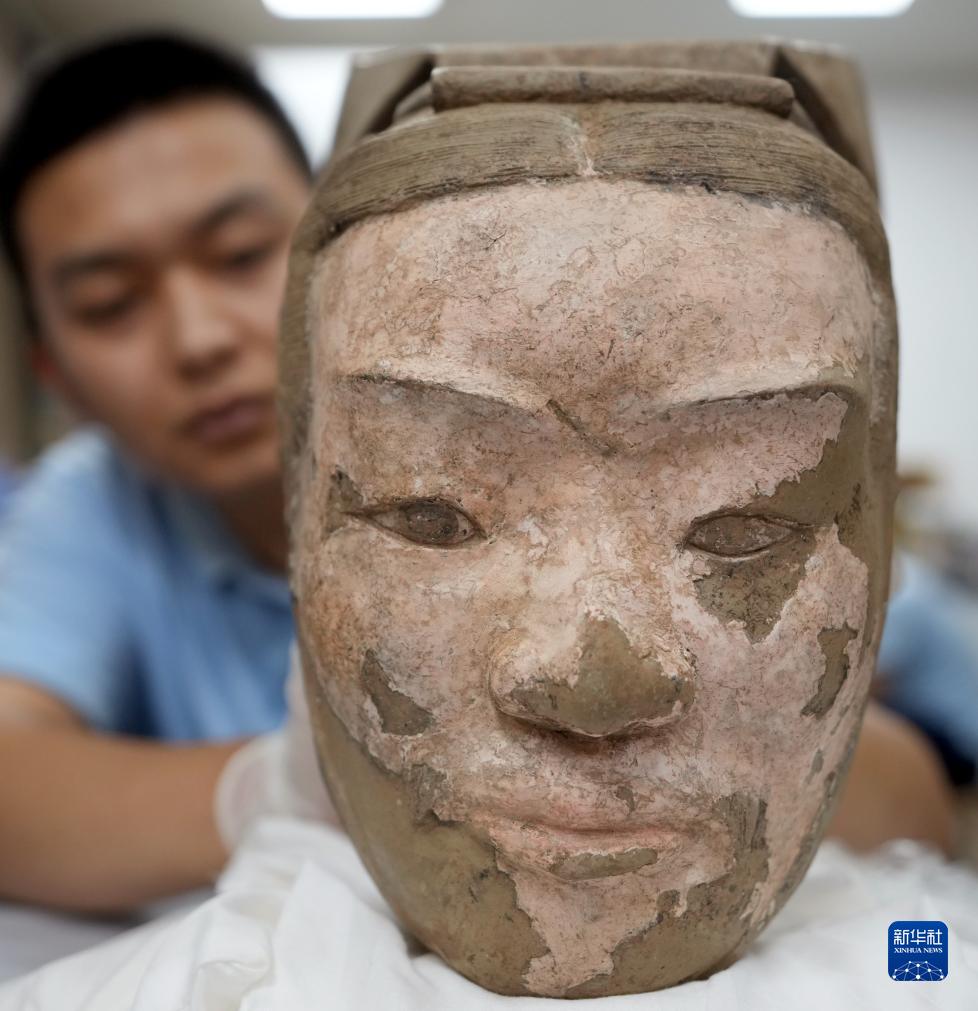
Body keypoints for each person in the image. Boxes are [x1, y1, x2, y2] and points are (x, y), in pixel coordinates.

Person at [0, 32, 311, 912]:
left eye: (242, 255)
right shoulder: (92, 505)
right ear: (57, 375)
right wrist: (285, 789)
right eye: (110, 305)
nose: (198, 338)